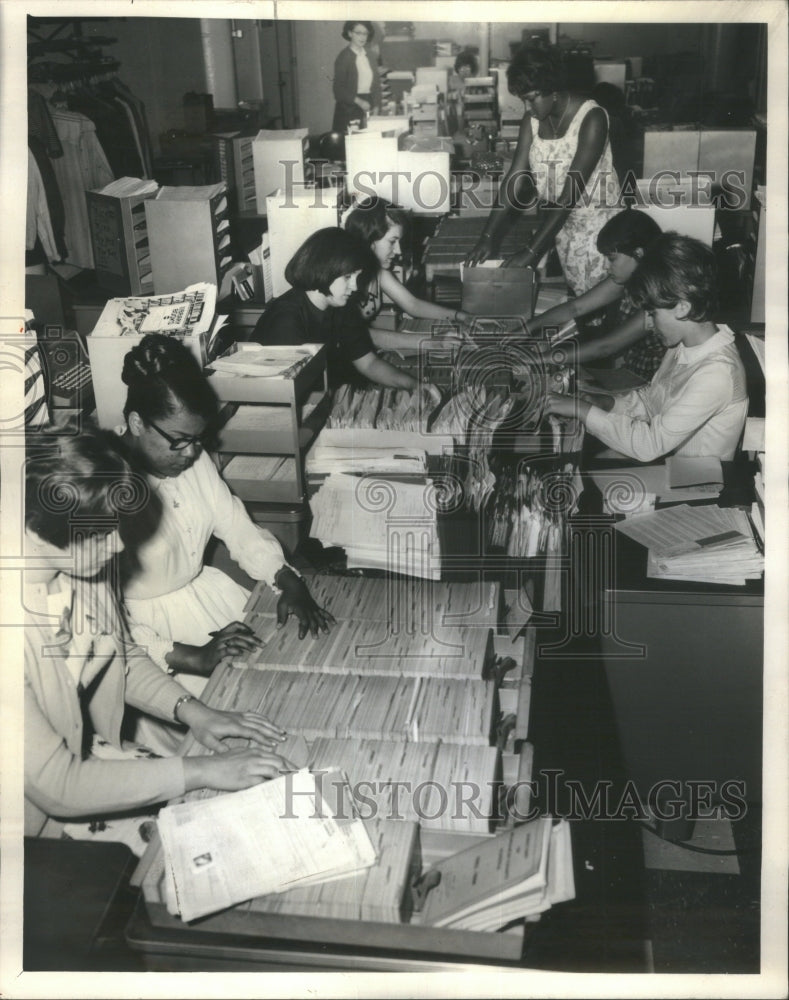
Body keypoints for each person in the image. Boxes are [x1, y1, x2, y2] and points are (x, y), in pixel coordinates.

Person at [23, 422, 291, 838]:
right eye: (98, 532)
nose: (116, 546)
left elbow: (120, 654)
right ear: (33, 531)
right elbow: (58, 786)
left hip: (84, 763)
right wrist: (202, 770)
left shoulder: (77, 570)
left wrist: (195, 712)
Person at [117, 334, 334, 701]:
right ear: (137, 423)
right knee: (232, 710)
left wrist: (283, 577)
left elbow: (237, 528)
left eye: (199, 439)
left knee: (296, 688)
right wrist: (191, 656)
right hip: (145, 639)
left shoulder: (194, 462)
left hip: (210, 600)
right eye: (179, 441)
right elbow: (99, 622)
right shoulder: (102, 484)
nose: (191, 453)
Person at [545, 233, 749, 462]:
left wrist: (581, 411)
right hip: (671, 465)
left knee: (587, 462)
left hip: (698, 486)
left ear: (682, 308)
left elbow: (650, 445)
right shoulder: (683, 345)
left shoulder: (717, 374)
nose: (649, 324)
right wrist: (607, 403)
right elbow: (651, 402)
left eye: (653, 314)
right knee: (593, 456)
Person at [465, 44, 620, 297]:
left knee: (594, 301)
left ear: (553, 89)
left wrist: (531, 251)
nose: (527, 107)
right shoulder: (533, 121)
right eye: (523, 99)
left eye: (531, 98)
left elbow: (568, 197)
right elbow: (513, 179)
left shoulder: (592, 119)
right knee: (576, 295)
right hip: (561, 225)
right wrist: (488, 235)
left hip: (599, 231)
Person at [252, 227, 419, 390]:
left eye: (356, 277)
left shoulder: (339, 303)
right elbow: (292, 391)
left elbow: (368, 363)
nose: (354, 286)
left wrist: (414, 385)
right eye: (347, 277)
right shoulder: (286, 320)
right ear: (324, 271)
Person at [529, 208, 666, 381]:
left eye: (612, 259)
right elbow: (575, 308)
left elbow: (606, 347)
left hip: (652, 380)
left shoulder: (660, 294)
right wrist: (527, 328)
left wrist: (537, 359)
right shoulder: (627, 278)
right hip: (630, 369)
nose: (607, 266)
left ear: (638, 253)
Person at [342, 196, 473, 349]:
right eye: (392, 242)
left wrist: (460, 316)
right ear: (369, 239)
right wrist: (433, 342)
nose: (398, 251)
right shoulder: (345, 278)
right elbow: (360, 334)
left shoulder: (377, 270)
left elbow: (412, 304)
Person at [332, 21, 380, 134]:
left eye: (365, 33)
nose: (362, 37)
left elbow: (376, 84)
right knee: (352, 146)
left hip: (368, 104)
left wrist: (377, 105)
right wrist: (360, 102)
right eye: (358, 33)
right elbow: (338, 90)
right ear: (350, 34)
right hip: (349, 108)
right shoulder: (344, 57)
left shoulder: (370, 55)